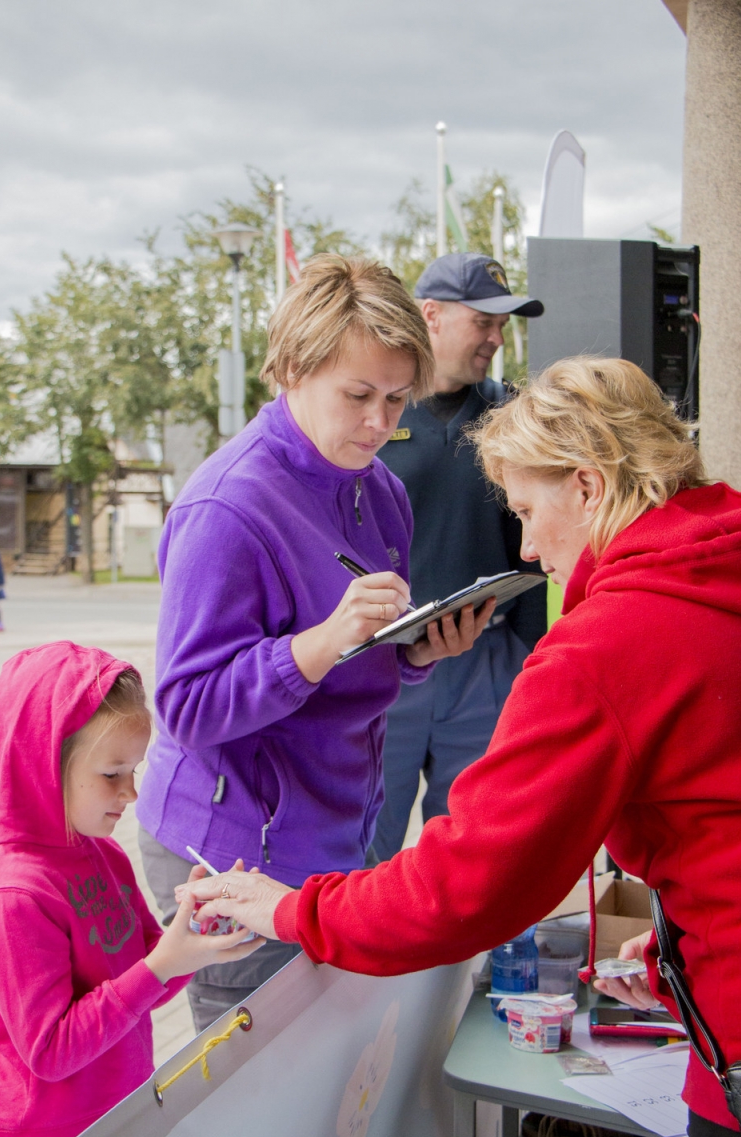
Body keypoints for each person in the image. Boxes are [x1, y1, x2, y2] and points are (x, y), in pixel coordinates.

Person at [186, 358, 741, 1137]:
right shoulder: (727, 562)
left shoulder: (609, 643)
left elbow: (469, 881)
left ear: (590, 489)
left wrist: (289, 909)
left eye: (527, 512)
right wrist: (687, 940)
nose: (525, 549)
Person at [136, 255, 494, 1031]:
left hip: (331, 826)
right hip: (233, 844)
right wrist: (324, 639)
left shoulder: (380, 488)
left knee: (326, 1062)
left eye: (397, 399)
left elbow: (355, 666)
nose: (380, 423)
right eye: (358, 396)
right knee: (262, 1083)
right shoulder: (226, 508)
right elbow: (188, 707)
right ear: (292, 369)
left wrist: (414, 652)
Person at [0, 642, 261, 1137]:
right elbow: (51, 1050)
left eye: (135, 769)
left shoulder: (104, 856)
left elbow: (147, 979)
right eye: (111, 774)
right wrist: (163, 962)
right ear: (42, 765)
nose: (131, 792)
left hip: (116, 1121)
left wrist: (197, 938)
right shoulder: (16, 897)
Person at [372, 252, 547, 860]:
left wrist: (526, 653)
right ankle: (361, 959)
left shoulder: (512, 414)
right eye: (484, 323)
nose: (497, 339)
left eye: (503, 326)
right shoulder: (373, 412)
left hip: (484, 662)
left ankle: (466, 963)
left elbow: (534, 544)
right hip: (387, 665)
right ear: (432, 316)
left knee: (470, 847)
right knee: (371, 844)